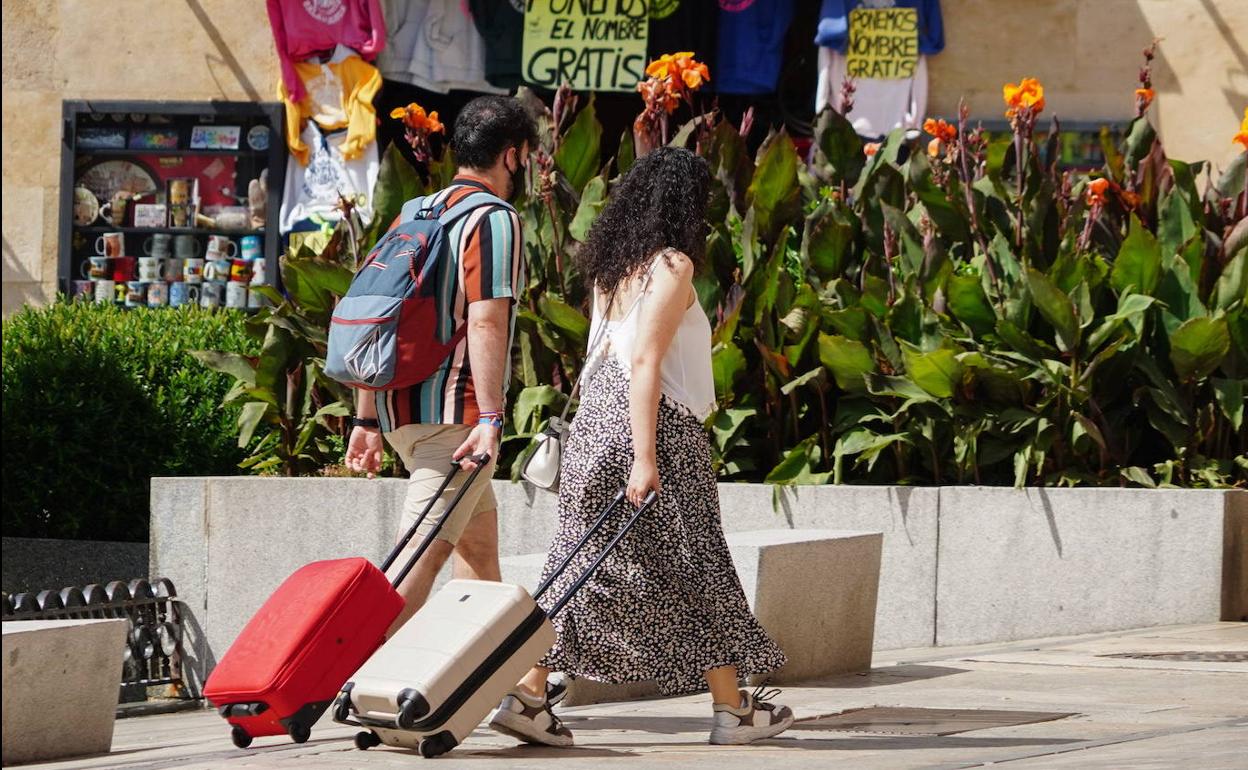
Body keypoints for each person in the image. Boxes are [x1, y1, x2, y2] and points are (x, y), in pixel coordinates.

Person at [488, 147, 795, 747]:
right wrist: (646, 456)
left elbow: (606, 357)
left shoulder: (615, 267)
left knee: (580, 564)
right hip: (651, 425)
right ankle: (732, 712)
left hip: (595, 424)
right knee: (697, 560)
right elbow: (645, 361)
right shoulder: (672, 264)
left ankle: (529, 694)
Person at [344, 95, 535, 636]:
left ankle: (520, 698)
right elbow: (487, 323)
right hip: (457, 424)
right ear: (514, 156)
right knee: (414, 565)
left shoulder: (415, 212)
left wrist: (365, 420)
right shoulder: (494, 218)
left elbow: (374, 311)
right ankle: (338, 683)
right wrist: (492, 420)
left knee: (478, 558)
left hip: (401, 414)